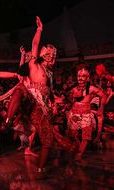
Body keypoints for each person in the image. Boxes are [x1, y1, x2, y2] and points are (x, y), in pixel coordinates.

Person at [26, 16, 77, 179]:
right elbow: (34, 45)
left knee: (49, 139)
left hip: (45, 109)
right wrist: (39, 29)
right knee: (48, 140)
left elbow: (49, 92)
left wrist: (55, 101)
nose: (52, 61)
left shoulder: (49, 74)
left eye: (54, 58)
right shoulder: (34, 65)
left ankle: (41, 168)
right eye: (50, 58)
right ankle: (40, 170)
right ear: (44, 56)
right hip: (33, 106)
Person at [67, 67, 106, 160]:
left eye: (83, 76)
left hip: (86, 114)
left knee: (86, 135)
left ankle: (79, 154)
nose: (80, 78)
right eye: (79, 76)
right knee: (73, 134)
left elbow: (103, 96)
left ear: (87, 78)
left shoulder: (92, 88)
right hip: (74, 113)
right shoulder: (73, 88)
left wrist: (101, 108)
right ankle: (78, 150)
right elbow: (69, 100)